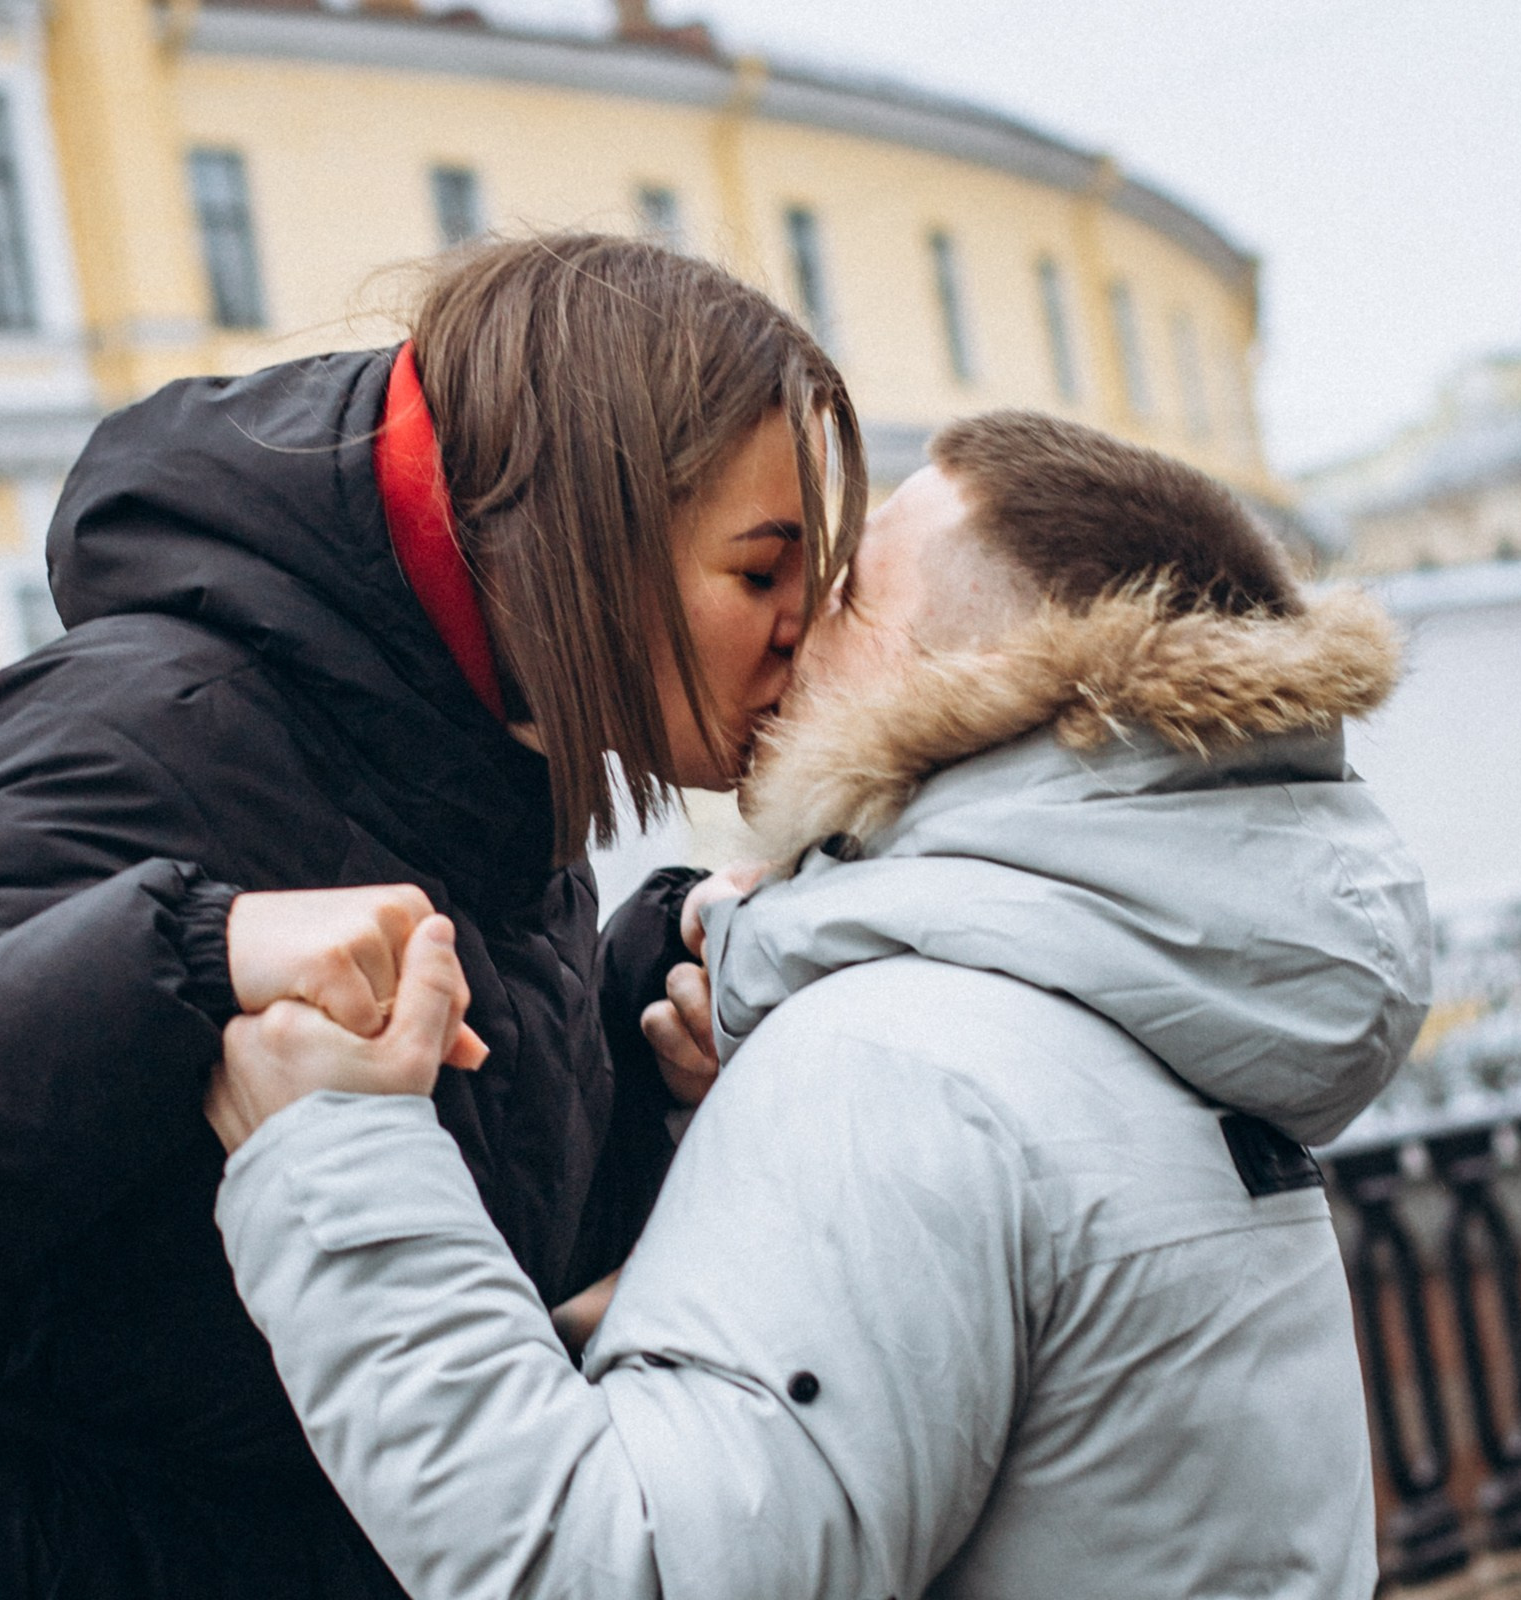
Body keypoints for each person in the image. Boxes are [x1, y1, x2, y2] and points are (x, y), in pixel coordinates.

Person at [0, 234, 864, 1599]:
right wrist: (187, 954)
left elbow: (468, 1250)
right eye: (760, 572)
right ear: (587, 538)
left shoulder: (499, 802)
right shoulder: (141, 724)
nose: (808, 628)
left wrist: (640, 1032)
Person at [210, 410, 1433, 1600]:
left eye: (849, 596)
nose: (793, 630)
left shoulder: (903, 1063)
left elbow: (626, 1567)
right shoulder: (1151, 1011)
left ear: (983, 682)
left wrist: (333, 1147)